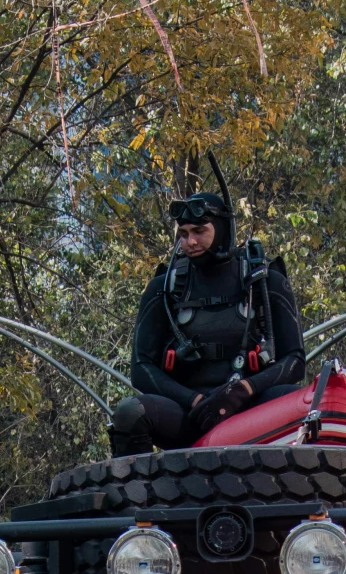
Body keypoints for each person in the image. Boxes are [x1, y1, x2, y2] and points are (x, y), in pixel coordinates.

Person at [110, 182, 306, 453]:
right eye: (184, 233)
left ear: (222, 229)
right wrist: (195, 400)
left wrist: (243, 390)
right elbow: (141, 369)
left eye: (200, 231)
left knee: (307, 404)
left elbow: (295, 361)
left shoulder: (264, 281)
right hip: (190, 414)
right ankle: (139, 493)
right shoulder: (164, 288)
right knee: (130, 412)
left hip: (253, 407)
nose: (190, 241)